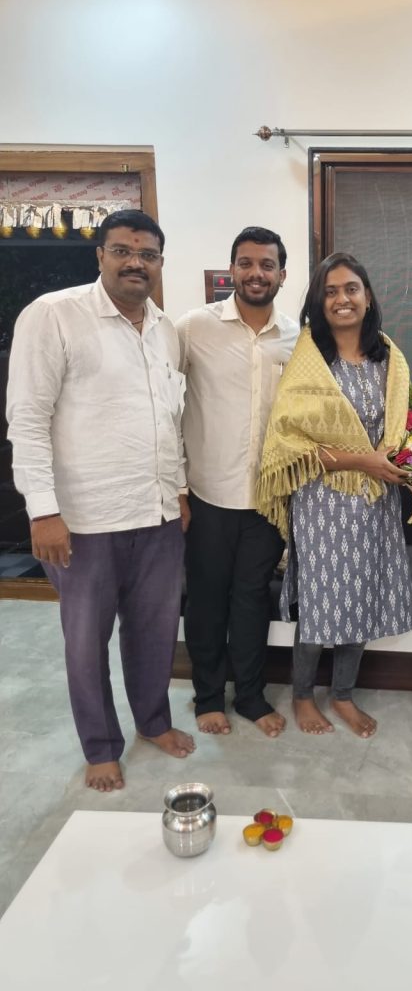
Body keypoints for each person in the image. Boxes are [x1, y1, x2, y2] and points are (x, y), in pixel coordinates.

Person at [6, 209, 194, 792]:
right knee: (86, 642)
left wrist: (179, 490)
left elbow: (169, 419)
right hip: (83, 519)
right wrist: (43, 510)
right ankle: (100, 746)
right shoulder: (54, 315)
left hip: (157, 514)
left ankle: (153, 723)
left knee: (154, 633)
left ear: (160, 263)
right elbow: (27, 420)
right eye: (122, 251)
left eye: (147, 255)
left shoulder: (166, 329)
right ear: (100, 256)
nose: (136, 263)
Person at [255, 251, 412, 738]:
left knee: (361, 595)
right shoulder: (309, 360)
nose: (342, 299)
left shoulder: (389, 357)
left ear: (367, 297)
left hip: (376, 500)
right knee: (322, 598)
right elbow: (290, 443)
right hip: (323, 500)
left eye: (351, 289)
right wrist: (363, 462)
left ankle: (343, 694)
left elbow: (400, 429)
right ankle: (303, 695)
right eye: (330, 292)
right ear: (318, 302)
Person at [176, 227, 299, 737]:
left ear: (282, 275)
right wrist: (177, 488)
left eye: (267, 265)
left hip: (268, 500)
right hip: (207, 495)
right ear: (232, 270)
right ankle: (208, 697)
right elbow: (162, 405)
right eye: (246, 263)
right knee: (206, 600)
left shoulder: (296, 337)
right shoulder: (193, 327)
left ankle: (250, 695)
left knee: (252, 600)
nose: (256, 273)